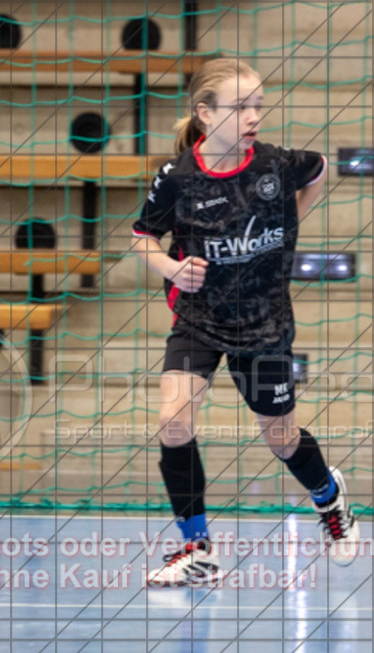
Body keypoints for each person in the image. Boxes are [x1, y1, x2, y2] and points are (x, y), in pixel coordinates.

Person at [130, 58, 359, 587]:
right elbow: (142, 235)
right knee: (174, 422)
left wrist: (290, 221)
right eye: (240, 106)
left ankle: (329, 496)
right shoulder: (178, 177)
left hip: (263, 325)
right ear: (205, 114)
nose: (254, 114)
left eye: (258, 104)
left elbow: (321, 167)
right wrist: (170, 267)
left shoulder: (277, 166)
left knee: (280, 438)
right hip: (198, 320)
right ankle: (197, 550)